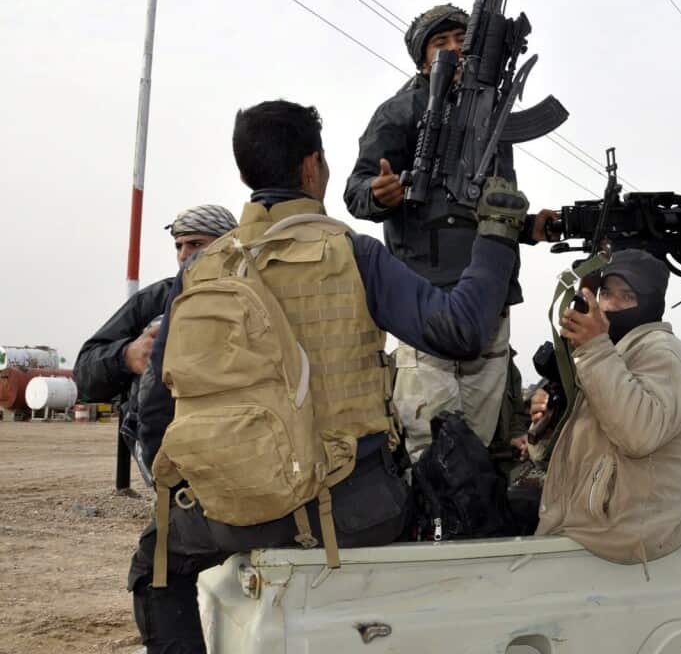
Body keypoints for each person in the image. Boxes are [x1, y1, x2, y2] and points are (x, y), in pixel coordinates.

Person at [128, 100, 528, 653]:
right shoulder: (353, 255)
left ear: (246, 174)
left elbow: (155, 407)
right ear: (313, 168)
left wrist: (187, 492)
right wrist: (496, 235)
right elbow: (460, 332)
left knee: (157, 564)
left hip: (228, 513)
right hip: (350, 513)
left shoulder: (201, 271)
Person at [343, 3, 560, 461]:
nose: (455, 50)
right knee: (428, 437)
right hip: (428, 298)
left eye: (463, 40)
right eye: (441, 45)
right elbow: (356, 189)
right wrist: (380, 194)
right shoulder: (400, 111)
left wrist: (526, 226)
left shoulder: (491, 116)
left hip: (490, 299)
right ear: (423, 60)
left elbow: (486, 204)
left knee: (478, 439)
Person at [535, 250, 681, 564]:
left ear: (651, 304)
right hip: (591, 532)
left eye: (627, 296)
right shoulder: (617, 351)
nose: (610, 306)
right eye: (606, 294)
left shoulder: (663, 353)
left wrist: (593, 349)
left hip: (618, 538)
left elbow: (638, 434)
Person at [74, 204, 238, 481]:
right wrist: (127, 355)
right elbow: (85, 374)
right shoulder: (154, 302)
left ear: (228, 245)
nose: (184, 254)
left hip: (240, 447)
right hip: (169, 459)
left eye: (196, 244)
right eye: (178, 246)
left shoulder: (254, 299)